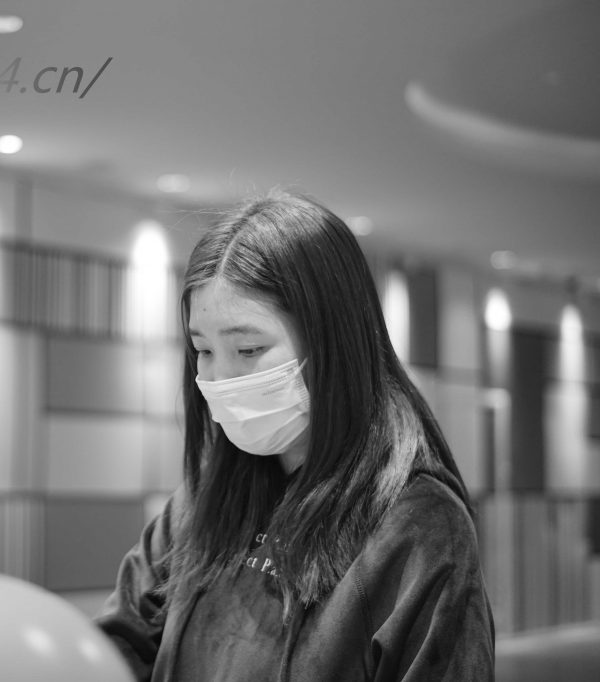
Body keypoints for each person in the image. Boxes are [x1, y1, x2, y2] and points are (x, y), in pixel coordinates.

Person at [95, 189, 495, 681]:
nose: (219, 379)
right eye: (204, 351)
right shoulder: (204, 499)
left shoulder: (417, 526)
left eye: (248, 349)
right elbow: (118, 646)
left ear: (330, 342)